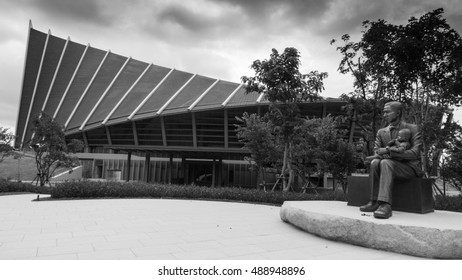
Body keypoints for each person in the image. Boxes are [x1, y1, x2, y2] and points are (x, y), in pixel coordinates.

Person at [360, 101, 423, 219]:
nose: (384, 115)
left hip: (408, 168)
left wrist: (390, 152)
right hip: (387, 164)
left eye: (387, 112)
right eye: (384, 112)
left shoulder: (412, 128)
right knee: (375, 162)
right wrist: (380, 154)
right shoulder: (381, 132)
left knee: (385, 162)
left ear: (398, 113)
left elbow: (415, 153)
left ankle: (385, 205)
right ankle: (374, 201)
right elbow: (377, 152)